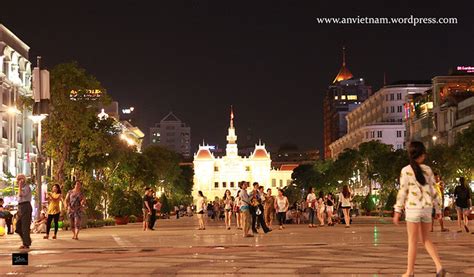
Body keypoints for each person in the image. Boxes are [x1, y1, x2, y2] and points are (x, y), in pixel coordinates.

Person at [393, 141, 445, 277]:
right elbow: (435, 191)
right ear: (421, 155)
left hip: (413, 210)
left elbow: (402, 191)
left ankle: (410, 271)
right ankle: (439, 266)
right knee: (426, 239)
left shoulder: (405, 170)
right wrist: (438, 210)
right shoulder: (428, 170)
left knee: (412, 241)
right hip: (427, 209)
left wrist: (397, 210)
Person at [15, 174, 32, 249]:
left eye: (21, 178)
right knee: (18, 227)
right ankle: (27, 240)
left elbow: (21, 195)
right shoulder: (20, 188)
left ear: (24, 179)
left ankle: (26, 243)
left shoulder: (26, 187)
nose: (19, 180)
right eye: (18, 179)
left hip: (26, 206)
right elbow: (18, 199)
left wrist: (20, 186)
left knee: (25, 226)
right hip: (20, 207)